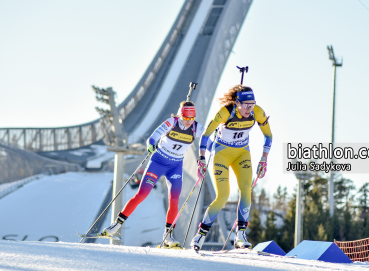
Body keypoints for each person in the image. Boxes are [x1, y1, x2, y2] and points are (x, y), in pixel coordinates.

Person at [101, 101, 205, 248]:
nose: (188, 122)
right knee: (142, 194)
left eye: (192, 118)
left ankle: (168, 236)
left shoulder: (196, 127)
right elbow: (155, 135)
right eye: (186, 118)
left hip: (175, 167)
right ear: (180, 115)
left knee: (174, 200)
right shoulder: (172, 122)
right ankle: (116, 225)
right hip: (158, 163)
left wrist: (204, 154)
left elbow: (208, 137)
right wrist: (151, 143)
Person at [190, 85, 272, 250]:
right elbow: (205, 135)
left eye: (252, 104)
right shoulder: (225, 112)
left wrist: (264, 159)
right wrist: (201, 159)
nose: (250, 109)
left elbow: (268, 135)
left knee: (246, 189)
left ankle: (240, 235)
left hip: (242, 153)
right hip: (222, 154)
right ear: (237, 103)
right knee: (223, 196)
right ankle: (200, 236)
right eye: (246, 105)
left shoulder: (257, 112)